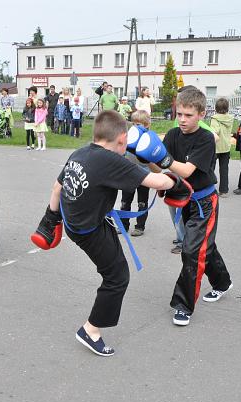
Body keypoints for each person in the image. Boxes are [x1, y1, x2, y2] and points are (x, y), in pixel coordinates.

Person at [32, 110, 176, 356]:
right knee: (117, 277)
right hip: (90, 231)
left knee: (115, 268)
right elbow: (160, 182)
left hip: (78, 223)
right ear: (122, 139)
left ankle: (92, 327)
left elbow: (57, 187)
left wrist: (50, 219)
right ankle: (90, 330)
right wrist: (176, 181)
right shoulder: (111, 161)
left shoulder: (80, 153)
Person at [135, 88, 232, 326]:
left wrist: (163, 158)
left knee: (191, 251)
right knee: (204, 245)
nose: (182, 119)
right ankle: (222, 282)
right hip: (184, 200)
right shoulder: (172, 134)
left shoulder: (205, 139)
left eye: (188, 115)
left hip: (205, 203)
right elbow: (161, 169)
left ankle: (183, 305)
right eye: (179, 114)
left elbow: (187, 171)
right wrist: (145, 157)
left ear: (201, 114)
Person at [119, 110, 152, 237]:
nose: (135, 126)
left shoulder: (149, 138)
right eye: (134, 124)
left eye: (139, 124)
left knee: (142, 202)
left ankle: (140, 226)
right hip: (128, 175)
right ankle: (123, 225)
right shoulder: (129, 137)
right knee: (125, 202)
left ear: (147, 125)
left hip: (144, 176)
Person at [210, 97, 233, 196]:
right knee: (224, 169)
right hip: (226, 147)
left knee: (210, 169)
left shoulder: (215, 119)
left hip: (215, 147)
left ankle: (209, 188)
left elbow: (215, 131)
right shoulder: (230, 118)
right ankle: (224, 190)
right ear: (227, 108)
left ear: (216, 108)